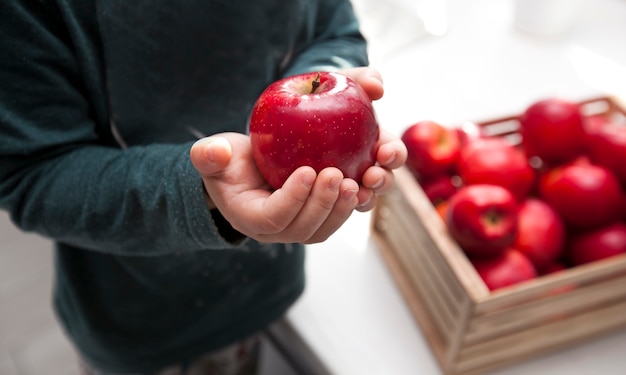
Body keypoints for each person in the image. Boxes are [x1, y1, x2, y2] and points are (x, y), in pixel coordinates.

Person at [0, 1, 407, 374]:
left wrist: (331, 84)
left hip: (270, 280)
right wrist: (201, 194)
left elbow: (333, 29)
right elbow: (33, 171)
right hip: (148, 322)